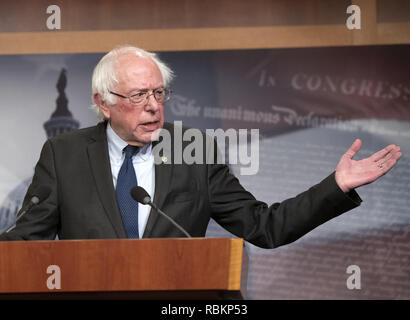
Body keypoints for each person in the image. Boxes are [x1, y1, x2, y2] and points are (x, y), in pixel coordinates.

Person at [0, 45, 402, 248]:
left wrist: (337, 186)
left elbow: (265, 226)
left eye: (159, 92)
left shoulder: (194, 149)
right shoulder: (64, 154)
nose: (154, 106)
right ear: (103, 102)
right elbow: (23, 242)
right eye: (139, 95)